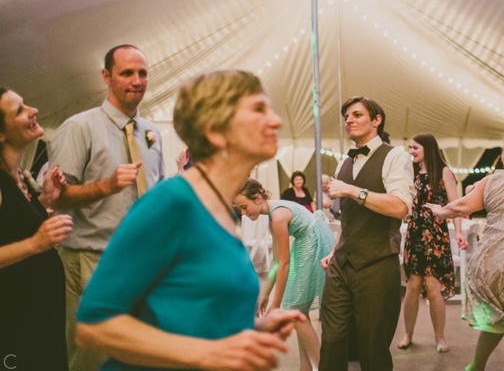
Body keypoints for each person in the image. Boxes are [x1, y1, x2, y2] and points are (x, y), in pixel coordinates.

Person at [74, 70, 305, 370]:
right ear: (215, 131)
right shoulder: (171, 203)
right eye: (259, 110)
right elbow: (93, 325)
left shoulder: (221, 206)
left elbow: (188, 310)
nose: (276, 121)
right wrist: (209, 354)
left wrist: (249, 332)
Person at [48, 44, 165, 371]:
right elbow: (55, 196)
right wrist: (107, 186)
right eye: (127, 73)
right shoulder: (79, 128)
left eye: (143, 73)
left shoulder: (152, 133)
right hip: (92, 259)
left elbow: (154, 192)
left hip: (142, 261)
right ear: (106, 77)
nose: (137, 80)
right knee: (90, 357)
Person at [319, 96, 415, 371]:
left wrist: (351, 190)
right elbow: (347, 219)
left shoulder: (395, 156)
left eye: (357, 115)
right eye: (346, 116)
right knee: (333, 338)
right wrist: (334, 250)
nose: (348, 120)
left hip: (376, 262)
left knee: (372, 346)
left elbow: (400, 207)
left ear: (376, 120)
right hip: (341, 264)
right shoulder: (342, 164)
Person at [427, 126, 504, 371]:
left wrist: (440, 211)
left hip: (491, 262)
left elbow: (460, 207)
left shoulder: (493, 179)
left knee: (497, 318)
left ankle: (477, 364)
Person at [0, 88, 73, 370]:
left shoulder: (18, 176)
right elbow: (27, 240)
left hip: (40, 314)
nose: (33, 110)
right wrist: (36, 244)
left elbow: (12, 225)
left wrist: (44, 199)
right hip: (15, 321)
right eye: (19, 110)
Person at [235, 179, 335, 371]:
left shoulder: (278, 215)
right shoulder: (275, 213)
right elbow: (275, 262)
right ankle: (305, 367)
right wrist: (266, 293)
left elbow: (284, 263)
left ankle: (322, 367)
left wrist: (276, 305)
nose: (244, 213)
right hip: (311, 240)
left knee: (293, 309)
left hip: (312, 243)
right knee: (298, 311)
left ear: (257, 199)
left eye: (244, 207)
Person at [397, 133, 468, 353]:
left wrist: (457, 231)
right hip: (415, 233)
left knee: (433, 286)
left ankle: (440, 337)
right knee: (412, 286)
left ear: (427, 148)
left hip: (436, 235)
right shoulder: (412, 172)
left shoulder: (443, 171)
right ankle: (408, 334)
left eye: (415, 147)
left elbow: (455, 204)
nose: (412, 151)